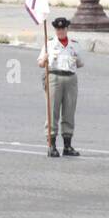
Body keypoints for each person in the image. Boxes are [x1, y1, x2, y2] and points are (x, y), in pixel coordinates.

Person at [36, 16, 83, 158]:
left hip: (70, 78)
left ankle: (67, 145)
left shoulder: (74, 44)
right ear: (55, 30)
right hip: (54, 77)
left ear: (67, 29)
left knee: (69, 111)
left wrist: (73, 62)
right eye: (58, 29)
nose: (60, 31)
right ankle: (52, 145)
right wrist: (44, 59)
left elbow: (80, 63)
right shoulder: (49, 44)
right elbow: (39, 62)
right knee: (52, 111)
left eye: (63, 29)